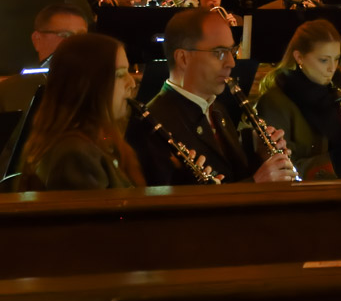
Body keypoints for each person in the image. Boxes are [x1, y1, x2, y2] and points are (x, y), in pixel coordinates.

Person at [127, 9, 297, 185]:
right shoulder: (152, 125)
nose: (231, 62)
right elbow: (174, 208)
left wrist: (259, 156)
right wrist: (256, 183)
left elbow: (231, 179)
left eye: (232, 50)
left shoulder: (216, 109)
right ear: (183, 58)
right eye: (219, 52)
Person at [19, 33, 145, 191]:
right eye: (120, 74)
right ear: (88, 85)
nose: (131, 82)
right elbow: (109, 215)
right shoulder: (74, 154)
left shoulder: (99, 140)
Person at [254, 20, 341, 179]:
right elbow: (284, 171)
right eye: (324, 60)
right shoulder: (275, 102)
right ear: (299, 57)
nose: (332, 68)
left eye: (336, 59)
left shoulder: (328, 95)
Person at [0, 4, 89, 115]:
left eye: (81, 36)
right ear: (37, 39)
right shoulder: (5, 92)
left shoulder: (97, 87)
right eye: (65, 35)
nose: (76, 42)